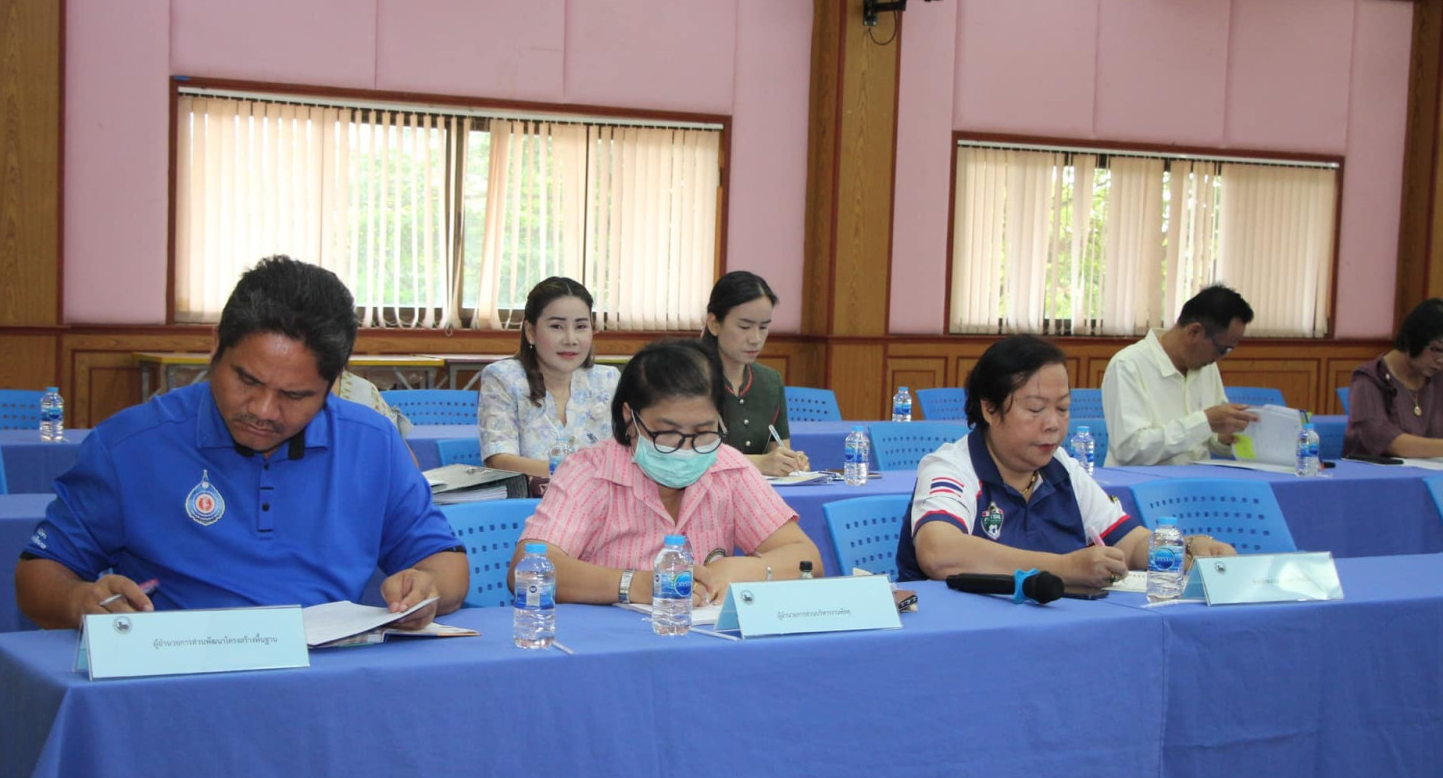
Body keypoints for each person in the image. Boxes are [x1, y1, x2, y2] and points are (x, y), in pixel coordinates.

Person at [15, 256, 468, 630]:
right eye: (247, 380)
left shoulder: (372, 443)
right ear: (215, 345)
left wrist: (426, 588)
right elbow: (39, 572)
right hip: (177, 679)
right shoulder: (129, 446)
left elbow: (445, 564)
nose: (264, 411)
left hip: (327, 677)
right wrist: (77, 601)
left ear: (334, 382)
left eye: (295, 395)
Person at [897, 335, 1234, 586]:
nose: (1053, 424)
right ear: (989, 408)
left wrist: (1184, 550)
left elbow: (1129, 544)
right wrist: (1063, 568)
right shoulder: (953, 467)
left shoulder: (1061, 468)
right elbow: (939, 553)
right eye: (1035, 409)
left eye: (1062, 408)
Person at [511, 339, 823, 606]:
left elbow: (806, 557)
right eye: (668, 433)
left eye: (703, 432)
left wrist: (744, 570)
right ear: (630, 418)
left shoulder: (728, 468)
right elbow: (528, 569)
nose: (686, 448)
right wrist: (633, 585)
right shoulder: (589, 473)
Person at [1101, 285, 1259, 466]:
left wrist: (1224, 437)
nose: (1220, 358)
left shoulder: (1207, 366)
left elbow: (1211, 439)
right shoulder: (1128, 365)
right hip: (1142, 480)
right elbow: (1130, 450)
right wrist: (1205, 422)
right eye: (1222, 349)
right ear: (1194, 332)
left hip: (1197, 479)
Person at [478, 277, 620, 478]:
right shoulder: (503, 378)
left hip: (599, 496)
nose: (570, 339)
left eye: (581, 326)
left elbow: (628, 453)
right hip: (529, 498)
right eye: (557, 326)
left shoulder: (608, 380)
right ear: (531, 331)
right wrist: (577, 474)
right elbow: (500, 460)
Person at [702, 271, 809, 476]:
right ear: (714, 324)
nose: (756, 339)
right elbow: (684, 456)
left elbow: (778, 449)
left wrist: (789, 461)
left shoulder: (770, 381)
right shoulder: (687, 379)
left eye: (763, 327)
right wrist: (758, 463)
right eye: (745, 327)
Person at [1345, 298, 1443, 459]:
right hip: (1377, 472)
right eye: (1437, 349)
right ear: (1412, 339)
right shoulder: (1368, 379)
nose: (1441, 360)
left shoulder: (1438, 377)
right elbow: (1389, 443)